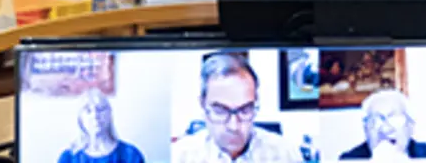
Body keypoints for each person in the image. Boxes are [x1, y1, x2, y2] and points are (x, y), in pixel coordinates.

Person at [173, 52, 302, 163]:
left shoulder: (286, 154)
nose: (233, 126)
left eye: (245, 110)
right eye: (220, 111)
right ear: (203, 105)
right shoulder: (179, 156)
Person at [339, 89, 426, 160]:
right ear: (365, 129)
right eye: (375, 120)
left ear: (410, 126)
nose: (385, 129)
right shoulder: (349, 159)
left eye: (394, 118)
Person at [57, 88, 145, 163]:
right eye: (88, 111)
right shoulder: (69, 158)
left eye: (101, 109)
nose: (95, 115)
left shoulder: (130, 155)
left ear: (110, 114)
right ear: (80, 119)